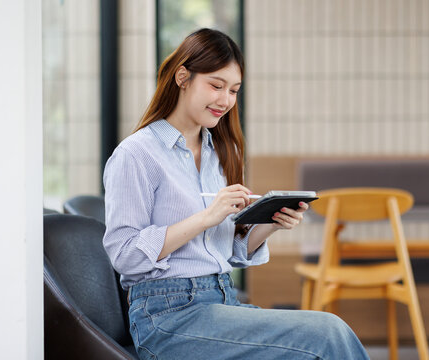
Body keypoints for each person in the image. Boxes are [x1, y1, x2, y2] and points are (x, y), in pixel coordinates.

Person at [103, 28, 369, 360]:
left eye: (234, 91)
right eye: (216, 86)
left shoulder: (221, 154)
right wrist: (205, 218)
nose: (225, 101)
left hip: (222, 300)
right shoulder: (136, 154)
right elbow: (124, 253)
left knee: (323, 337)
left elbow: (228, 250)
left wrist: (270, 223)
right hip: (167, 317)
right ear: (182, 77)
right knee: (328, 333)